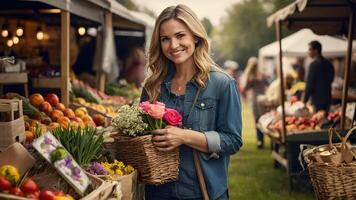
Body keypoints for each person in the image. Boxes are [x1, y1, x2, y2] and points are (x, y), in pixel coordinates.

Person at [140, 4, 242, 200]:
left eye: (180, 36)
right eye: (165, 39)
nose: (173, 45)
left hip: (203, 192)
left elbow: (233, 140)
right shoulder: (153, 86)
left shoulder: (221, 83)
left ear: (195, 36)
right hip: (159, 193)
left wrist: (185, 136)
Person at [241, 57, 268, 149]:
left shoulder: (251, 77)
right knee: (264, 119)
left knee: (257, 120)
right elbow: (268, 85)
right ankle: (264, 140)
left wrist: (244, 98)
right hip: (264, 99)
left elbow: (244, 89)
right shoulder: (262, 75)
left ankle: (260, 141)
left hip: (255, 100)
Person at [303, 40, 334, 112]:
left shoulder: (314, 64)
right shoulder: (329, 63)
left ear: (316, 50)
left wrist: (305, 100)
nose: (308, 52)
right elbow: (331, 79)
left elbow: (310, 84)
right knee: (325, 120)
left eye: (310, 49)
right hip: (327, 98)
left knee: (318, 119)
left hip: (317, 100)